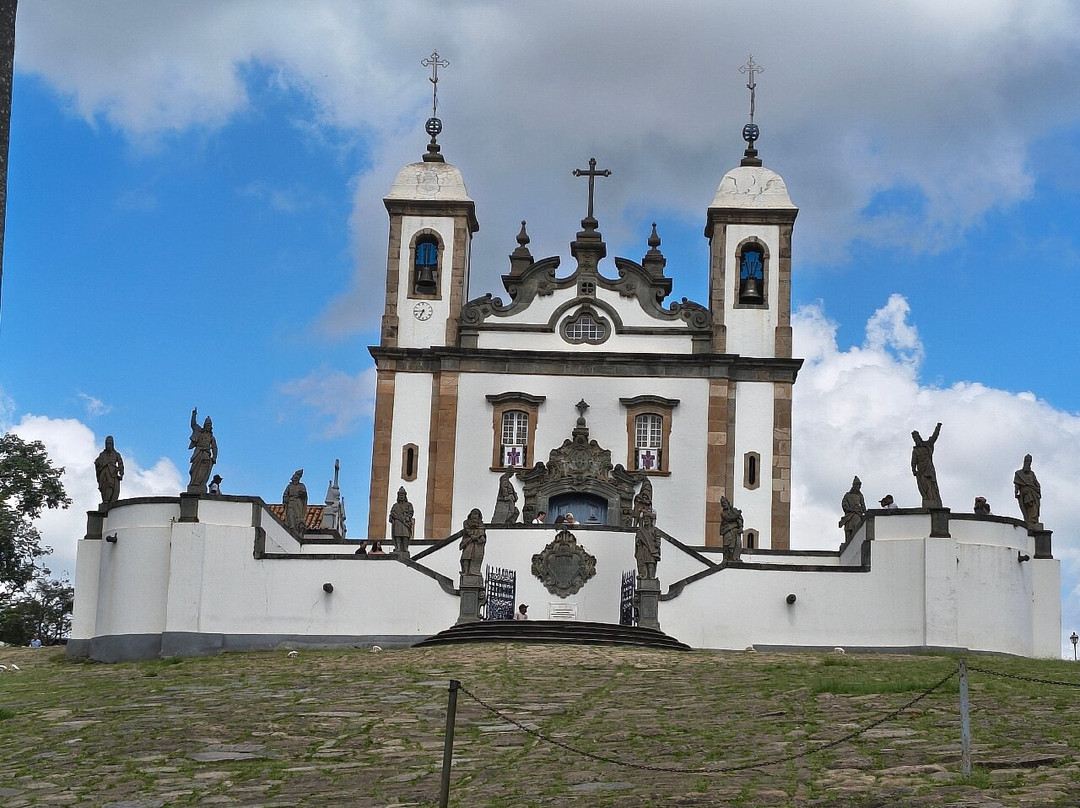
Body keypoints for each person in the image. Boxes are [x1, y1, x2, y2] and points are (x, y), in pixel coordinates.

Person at [910, 422, 943, 508]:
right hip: (921, 471)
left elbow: (935, 436)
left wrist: (938, 427)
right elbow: (913, 461)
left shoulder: (928, 444)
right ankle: (928, 501)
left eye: (916, 437)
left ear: (919, 437)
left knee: (931, 487)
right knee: (924, 489)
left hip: (928, 470)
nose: (915, 439)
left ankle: (934, 501)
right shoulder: (915, 451)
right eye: (914, 438)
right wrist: (914, 470)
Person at [188, 408, 219, 493]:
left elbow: (214, 447)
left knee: (202, 472)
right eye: (207, 425)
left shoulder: (211, 437)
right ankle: (193, 483)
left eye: (210, 425)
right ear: (205, 425)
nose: (208, 427)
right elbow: (193, 424)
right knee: (193, 470)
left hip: (206, 454)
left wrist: (214, 457)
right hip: (198, 453)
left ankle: (199, 484)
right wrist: (194, 415)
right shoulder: (199, 431)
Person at [94, 435, 125, 506]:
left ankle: (107, 500)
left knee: (110, 486)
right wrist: (98, 463)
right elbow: (98, 462)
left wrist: (121, 473)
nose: (108, 445)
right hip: (103, 474)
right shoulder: (102, 454)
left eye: (110, 443)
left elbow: (121, 464)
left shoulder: (116, 454)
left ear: (112, 444)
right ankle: (105, 500)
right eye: (107, 443)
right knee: (104, 487)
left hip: (112, 474)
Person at [1013, 454, 1042, 527]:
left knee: (1034, 507)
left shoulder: (1032, 473)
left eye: (1029, 462)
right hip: (1025, 493)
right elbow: (1017, 484)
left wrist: (1038, 489)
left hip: (1034, 492)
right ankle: (1029, 520)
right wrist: (1016, 492)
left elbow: (1036, 483)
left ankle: (1033, 521)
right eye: (1027, 461)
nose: (1028, 463)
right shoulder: (1018, 473)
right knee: (1028, 505)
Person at [838, 476, 867, 542]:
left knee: (857, 529)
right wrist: (850, 509)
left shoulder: (860, 495)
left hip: (857, 514)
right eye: (857, 485)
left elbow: (863, 505)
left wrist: (865, 513)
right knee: (848, 531)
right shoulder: (847, 495)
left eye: (859, 486)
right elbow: (844, 504)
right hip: (849, 515)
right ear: (854, 485)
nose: (858, 487)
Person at [459, 508, 487, 576]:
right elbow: (467, 530)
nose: (474, 516)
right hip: (468, 542)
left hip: (477, 544)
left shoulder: (481, 524)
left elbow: (482, 532)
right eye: (473, 514)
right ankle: (465, 571)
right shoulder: (466, 522)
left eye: (476, 514)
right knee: (465, 556)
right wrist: (472, 535)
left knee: (474, 557)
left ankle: (473, 571)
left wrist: (479, 537)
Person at [634, 508, 661, 579]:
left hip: (652, 549)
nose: (646, 520)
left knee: (651, 563)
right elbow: (637, 539)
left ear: (651, 520)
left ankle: (651, 576)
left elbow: (658, 538)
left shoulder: (654, 530)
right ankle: (644, 575)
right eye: (645, 519)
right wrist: (638, 542)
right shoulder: (640, 531)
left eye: (647, 519)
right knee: (643, 563)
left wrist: (657, 544)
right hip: (643, 549)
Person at [388, 487, 414, 556]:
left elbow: (411, 512)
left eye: (402, 495)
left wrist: (407, 517)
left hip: (405, 522)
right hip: (397, 522)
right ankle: (398, 548)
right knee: (397, 535)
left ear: (405, 496)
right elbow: (392, 513)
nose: (401, 497)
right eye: (400, 495)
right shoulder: (395, 505)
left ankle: (405, 548)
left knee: (405, 535)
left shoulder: (409, 504)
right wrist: (391, 517)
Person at [282, 469, 308, 535]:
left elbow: (304, 495)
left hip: (298, 502)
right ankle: (291, 526)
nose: (295, 480)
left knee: (298, 515)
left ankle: (297, 527)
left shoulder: (302, 486)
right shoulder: (289, 486)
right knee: (290, 514)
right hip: (290, 502)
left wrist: (302, 493)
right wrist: (285, 501)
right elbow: (285, 494)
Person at [720, 496, 744, 563]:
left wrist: (741, 527)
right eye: (722, 503)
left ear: (728, 503)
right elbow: (728, 518)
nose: (724, 504)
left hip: (735, 531)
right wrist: (737, 514)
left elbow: (740, 519)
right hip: (727, 530)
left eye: (725, 502)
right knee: (726, 544)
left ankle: (735, 558)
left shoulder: (734, 510)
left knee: (735, 545)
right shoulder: (723, 513)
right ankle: (726, 558)